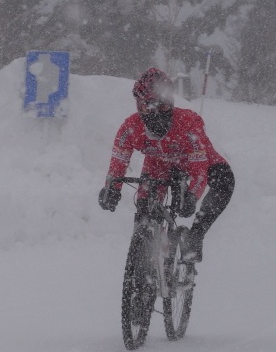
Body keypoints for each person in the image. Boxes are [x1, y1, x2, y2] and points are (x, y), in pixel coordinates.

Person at [98, 67, 235, 262]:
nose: (154, 114)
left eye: (161, 107)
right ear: (138, 106)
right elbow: (118, 162)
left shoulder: (188, 123)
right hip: (159, 164)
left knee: (225, 180)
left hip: (200, 162)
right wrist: (112, 188)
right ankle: (144, 260)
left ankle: (195, 236)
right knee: (144, 211)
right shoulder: (131, 127)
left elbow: (199, 170)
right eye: (147, 108)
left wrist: (192, 196)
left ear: (170, 103)